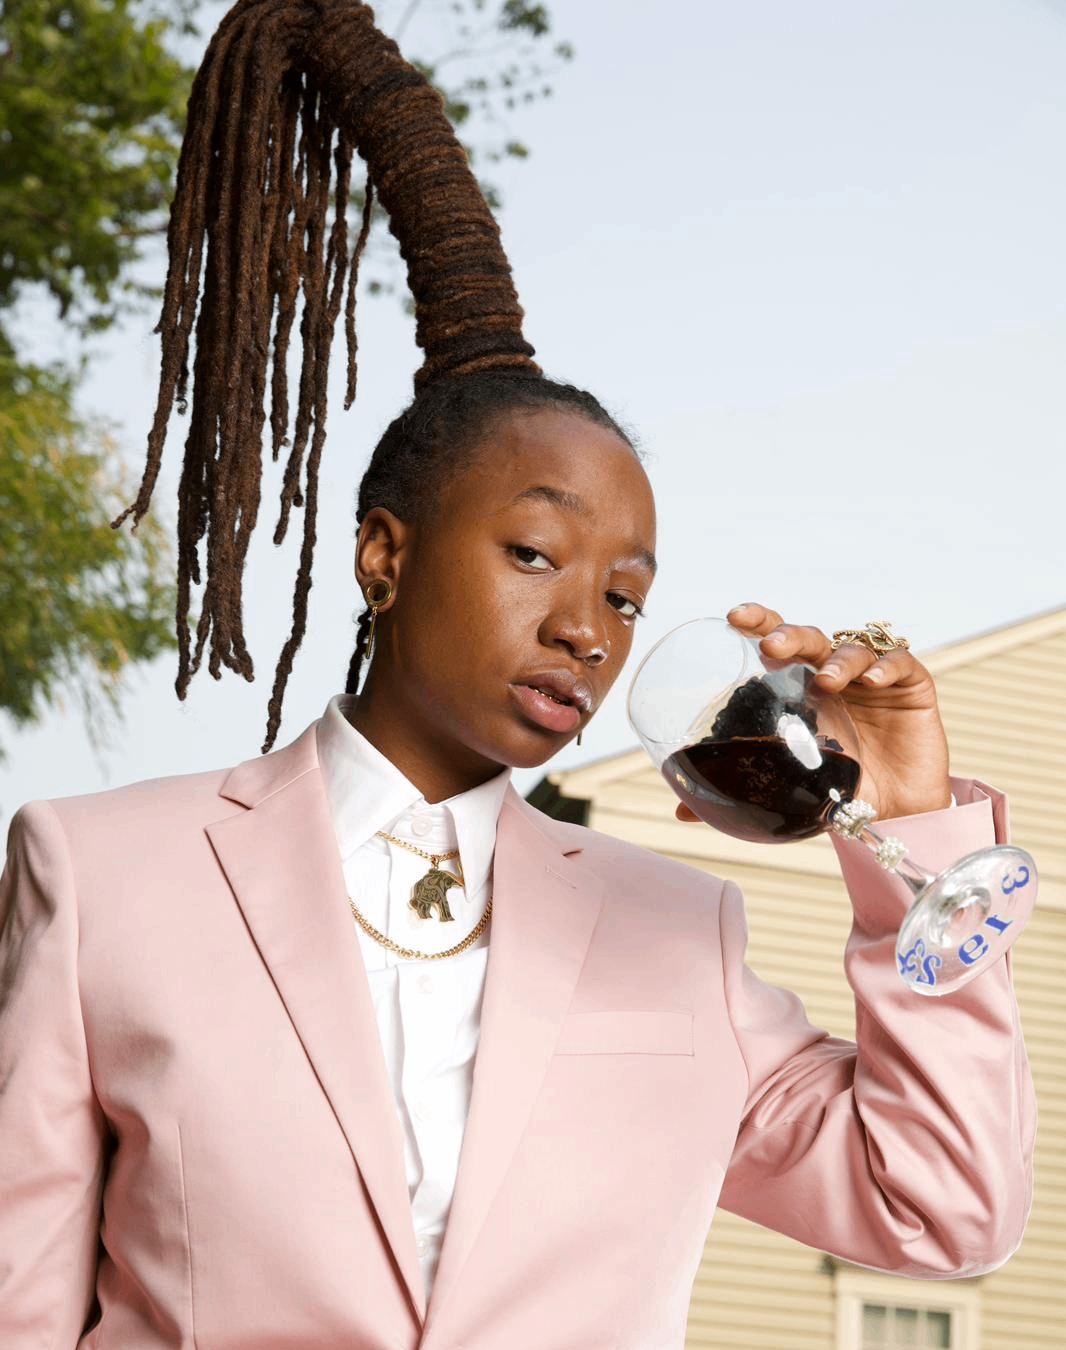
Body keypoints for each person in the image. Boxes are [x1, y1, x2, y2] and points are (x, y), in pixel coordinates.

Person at [0, 4, 1035, 1348]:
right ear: (383, 551)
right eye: (535, 552)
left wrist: (902, 827)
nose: (586, 628)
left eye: (624, 594)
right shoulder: (100, 874)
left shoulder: (681, 935)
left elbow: (942, 1209)